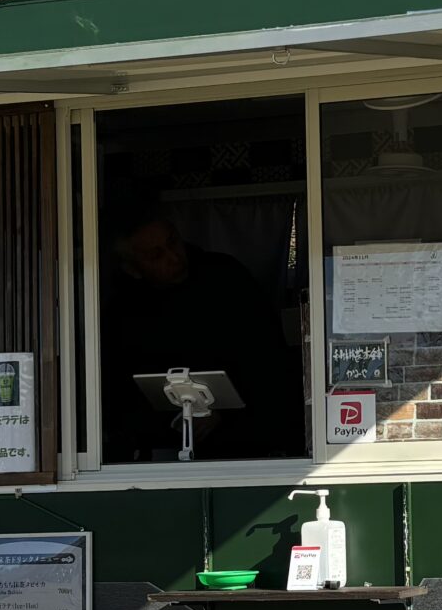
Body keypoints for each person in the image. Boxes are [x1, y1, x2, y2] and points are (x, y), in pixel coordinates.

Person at [98, 192, 302, 461]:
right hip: (161, 449)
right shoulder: (124, 311)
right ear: (133, 269)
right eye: (156, 255)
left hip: (249, 445)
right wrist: (169, 420)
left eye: (172, 241)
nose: (173, 257)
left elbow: (269, 358)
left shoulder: (225, 278)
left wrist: (227, 414)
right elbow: (117, 392)